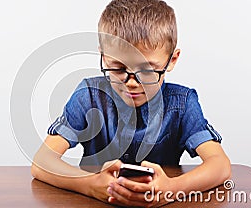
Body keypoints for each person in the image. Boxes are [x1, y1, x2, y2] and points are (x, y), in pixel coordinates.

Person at [31, 0, 231, 207]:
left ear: (172, 60)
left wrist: (171, 190)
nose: (132, 84)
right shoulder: (87, 96)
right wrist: (90, 184)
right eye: (118, 68)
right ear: (103, 57)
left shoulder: (183, 103)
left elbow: (220, 165)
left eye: (147, 71)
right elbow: (42, 162)